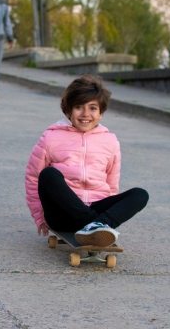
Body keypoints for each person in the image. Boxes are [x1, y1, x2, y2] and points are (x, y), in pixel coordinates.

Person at [25, 75, 149, 247]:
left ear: (101, 114)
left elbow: (112, 185)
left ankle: (96, 225)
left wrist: (108, 212)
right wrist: (39, 217)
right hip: (62, 214)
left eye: (92, 108)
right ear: (68, 111)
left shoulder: (110, 141)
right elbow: (33, 179)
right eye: (78, 107)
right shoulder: (50, 138)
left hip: (97, 208)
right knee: (48, 175)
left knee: (140, 194)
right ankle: (96, 226)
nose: (85, 114)